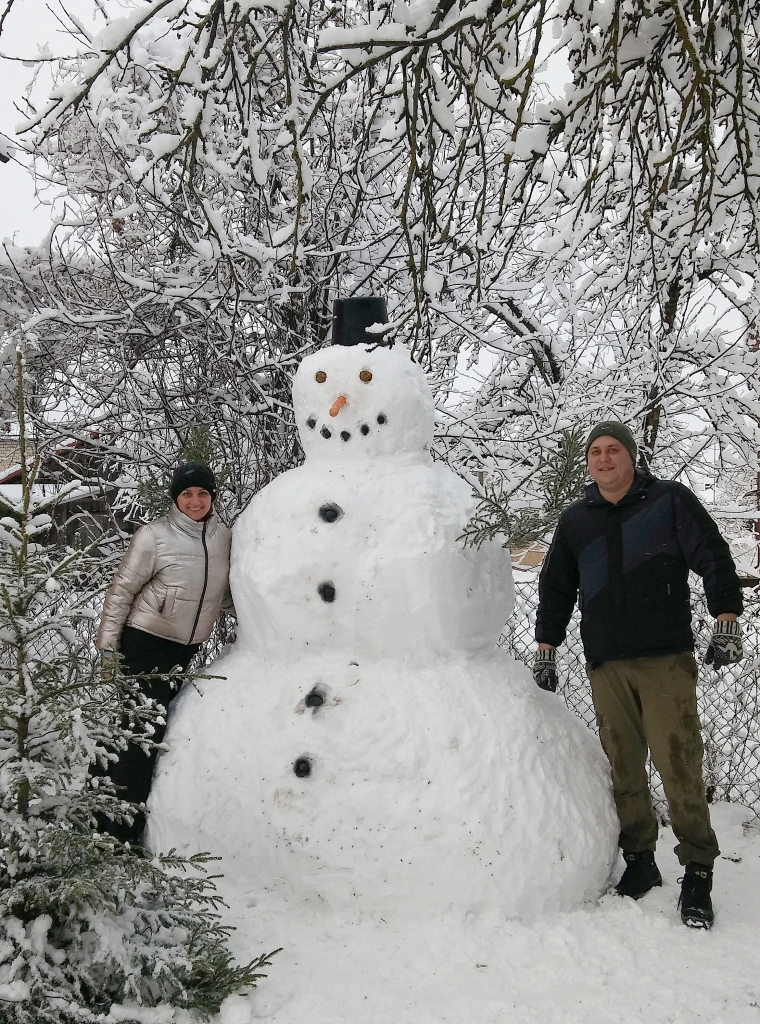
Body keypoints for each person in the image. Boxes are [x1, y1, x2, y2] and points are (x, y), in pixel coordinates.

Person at [532, 421, 744, 929]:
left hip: (663, 658)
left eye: (613, 450)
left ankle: (697, 869)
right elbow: (556, 585)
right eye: (595, 452)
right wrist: (546, 647)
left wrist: (727, 617)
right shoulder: (576, 521)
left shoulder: (668, 501)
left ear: (631, 456)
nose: (603, 459)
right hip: (606, 661)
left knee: (679, 763)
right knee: (623, 766)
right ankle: (642, 860)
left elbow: (713, 555)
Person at [96, 462, 233, 843]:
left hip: (187, 649)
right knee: (143, 735)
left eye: (202, 493)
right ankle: (117, 834)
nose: (195, 501)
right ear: (175, 498)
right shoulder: (154, 536)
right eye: (187, 494)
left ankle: (95, 803)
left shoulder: (223, 537)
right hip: (145, 643)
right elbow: (121, 590)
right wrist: (108, 648)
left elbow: (224, 596)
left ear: (212, 497)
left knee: (135, 730)